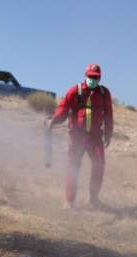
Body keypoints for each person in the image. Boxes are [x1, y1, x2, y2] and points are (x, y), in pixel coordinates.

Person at [48, 64, 114, 209]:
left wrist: (108, 134)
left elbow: (108, 115)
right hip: (77, 137)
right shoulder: (74, 91)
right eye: (90, 76)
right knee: (73, 167)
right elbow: (63, 108)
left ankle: (94, 199)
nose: (93, 79)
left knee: (99, 165)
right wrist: (54, 120)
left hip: (95, 137)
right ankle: (69, 201)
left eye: (96, 77)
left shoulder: (104, 93)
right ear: (85, 75)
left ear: (100, 78)